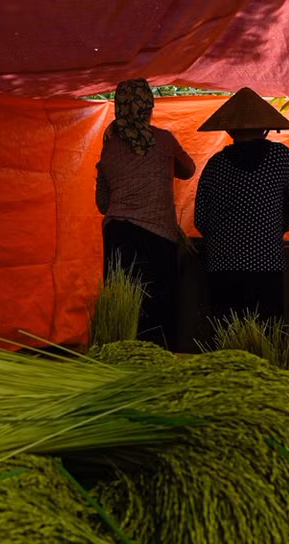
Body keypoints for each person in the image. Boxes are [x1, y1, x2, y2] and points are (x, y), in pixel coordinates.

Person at [95, 78, 195, 350]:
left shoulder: (109, 148)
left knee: (123, 309)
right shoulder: (163, 141)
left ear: (119, 108)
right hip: (157, 239)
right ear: (148, 106)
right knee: (160, 308)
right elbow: (189, 170)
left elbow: (103, 204)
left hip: (118, 238)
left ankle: (123, 365)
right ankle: (161, 367)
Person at [193, 88, 289, 323]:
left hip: (223, 266)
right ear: (265, 128)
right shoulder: (280, 156)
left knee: (227, 339)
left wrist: (222, 243)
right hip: (267, 263)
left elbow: (200, 218)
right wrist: (276, 228)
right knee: (266, 336)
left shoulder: (215, 165)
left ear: (230, 129)